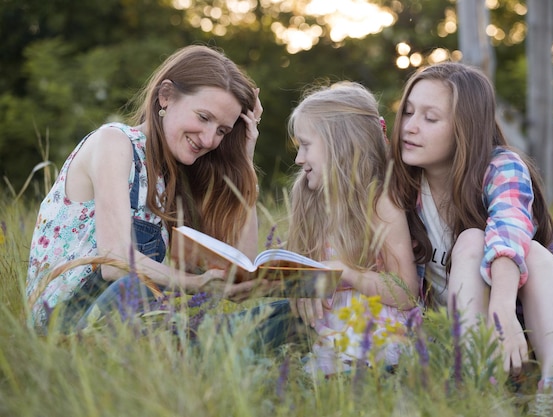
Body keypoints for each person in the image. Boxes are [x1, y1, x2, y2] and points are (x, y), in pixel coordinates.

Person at [387, 61, 553, 404]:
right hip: (496, 351)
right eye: (407, 112)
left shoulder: (501, 167)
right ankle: (478, 387)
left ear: (465, 128)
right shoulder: (402, 188)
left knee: (519, 248)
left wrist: (501, 308)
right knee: (471, 240)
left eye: (430, 118)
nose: (409, 127)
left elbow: (510, 232)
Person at [26, 45, 265, 331]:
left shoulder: (178, 176)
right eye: (203, 117)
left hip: (136, 323)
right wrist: (195, 283)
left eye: (222, 131)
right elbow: (114, 261)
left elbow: (241, 272)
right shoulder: (114, 142)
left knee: (280, 316)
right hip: (65, 323)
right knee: (134, 287)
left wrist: (245, 162)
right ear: (166, 96)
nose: (209, 139)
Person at [285, 82, 421, 375]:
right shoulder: (310, 201)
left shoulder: (380, 204)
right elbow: (304, 273)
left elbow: (406, 292)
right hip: (326, 328)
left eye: (306, 146)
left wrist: (345, 271)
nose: (299, 159)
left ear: (340, 145)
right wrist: (298, 287)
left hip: (376, 328)